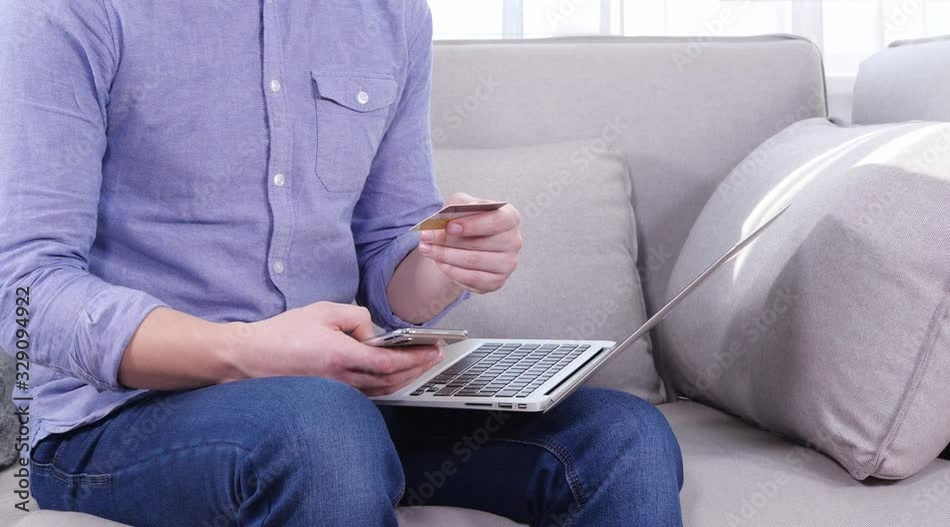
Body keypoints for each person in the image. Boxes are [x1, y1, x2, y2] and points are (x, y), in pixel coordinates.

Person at [0, 1, 684, 525]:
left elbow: (390, 253)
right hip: (117, 420)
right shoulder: (66, 13)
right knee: (320, 428)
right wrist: (247, 351)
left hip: (344, 403)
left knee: (623, 436)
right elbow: (23, 287)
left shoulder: (386, 14)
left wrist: (446, 260)